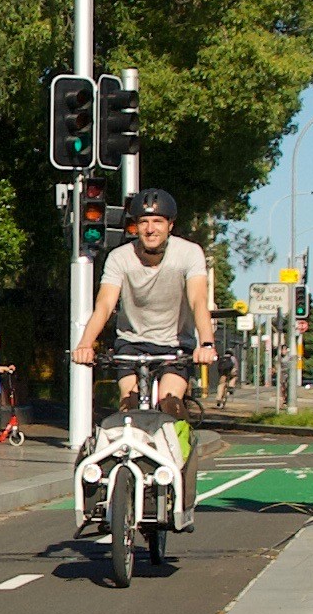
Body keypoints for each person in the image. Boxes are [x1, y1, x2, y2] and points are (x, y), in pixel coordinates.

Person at [74, 191, 217, 459]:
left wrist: (206, 343)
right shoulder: (120, 258)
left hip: (174, 345)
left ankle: (180, 466)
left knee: (170, 404)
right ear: (136, 225)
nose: (150, 229)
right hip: (131, 343)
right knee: (129, 406)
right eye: (143, 222)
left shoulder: (188, 253)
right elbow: (104, 305)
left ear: (170, 225)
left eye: (158, 222)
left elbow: (198, 300)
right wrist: (84, 345)